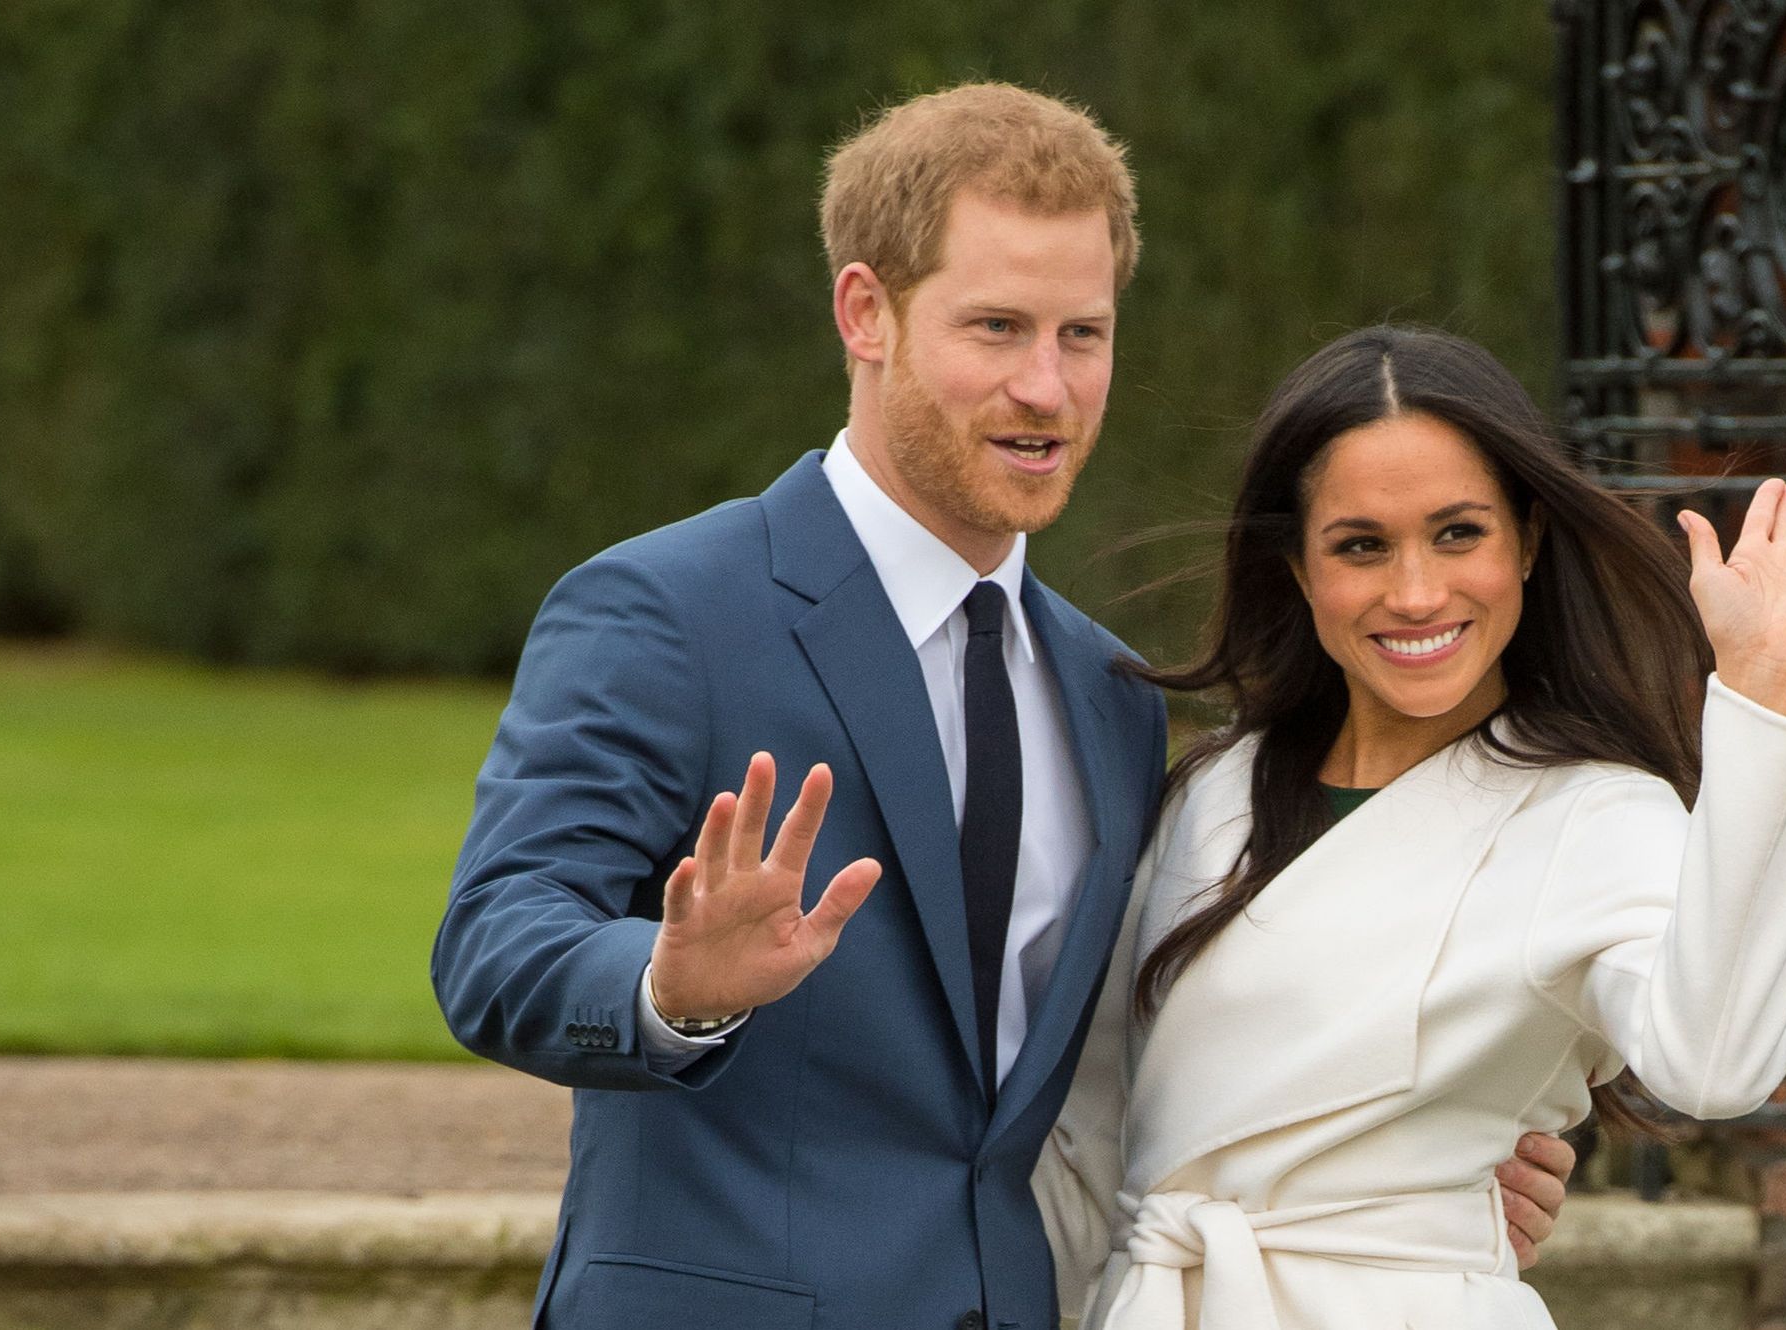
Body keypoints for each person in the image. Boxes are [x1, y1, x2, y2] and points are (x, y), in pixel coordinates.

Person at [432, 86, 1570, 1330]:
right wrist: (672, 985)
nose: (1047, 387)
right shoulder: (667, 610)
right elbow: (494, 941)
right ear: (865, 313)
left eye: (1083, 334)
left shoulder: (1110, 694)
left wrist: (1406, 1165)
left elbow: (1136, 1068)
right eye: (997, 328)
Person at [1031, 325, 1786, 1328]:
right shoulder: (1210, 791)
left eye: (1459, 533)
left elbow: (1717, 1064)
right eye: (1361, 546)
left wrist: (1758, 689)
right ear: (1297, 568)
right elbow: (1088, 1132)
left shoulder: (1594, 815)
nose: (1417, 592)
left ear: (1528, 540)